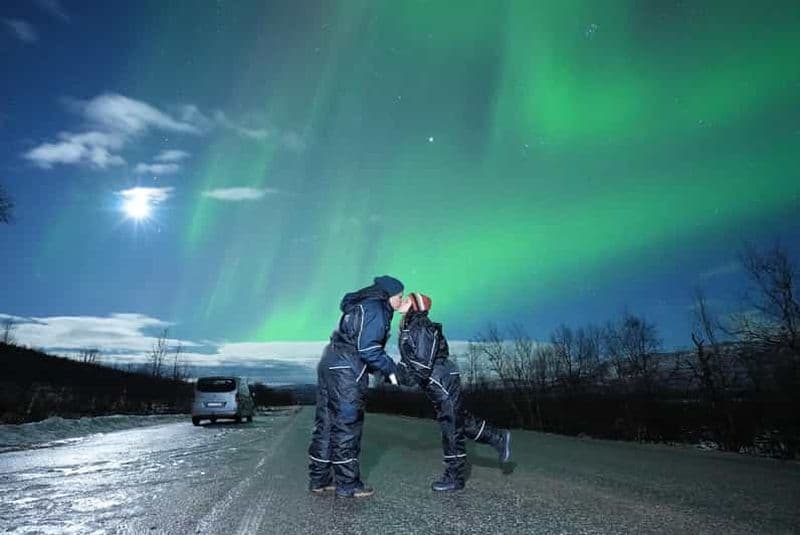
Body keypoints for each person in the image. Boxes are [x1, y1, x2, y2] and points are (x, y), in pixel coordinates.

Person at [396, 292, 511, 492]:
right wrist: (393, 373)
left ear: (415, 306)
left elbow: (422, 365)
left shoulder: (420, 325)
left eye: (407, 300)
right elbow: (410, 361)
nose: (402, 301)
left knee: (451, 424)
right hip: (438, 379)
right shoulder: (410, 325)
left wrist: (401, 377)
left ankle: (455, 477)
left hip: (441, 379)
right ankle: (498, 438)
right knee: (459, 419)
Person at [307, 275, 404, 498]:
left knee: (326, 424)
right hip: (347, 370)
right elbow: (368, 349)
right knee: (347, 426)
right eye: (399, 296)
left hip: (330, 362)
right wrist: (392, 370)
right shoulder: (376, 309)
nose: (401, 300)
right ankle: (348, 484)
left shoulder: (360, 305)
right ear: (388, 295)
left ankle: (319, 479)